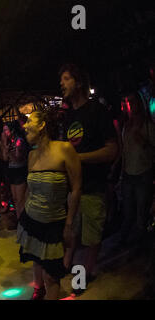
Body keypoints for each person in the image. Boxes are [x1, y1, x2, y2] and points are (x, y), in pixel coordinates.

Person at [60, 64, 118, 295]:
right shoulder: (70, 116)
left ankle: (86, 273)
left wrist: (78, 158)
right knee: (72, 230)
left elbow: (112, 150)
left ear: (79, 82)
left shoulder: (97, 111)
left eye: (66, 79)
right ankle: (66, 264)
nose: (61, 83)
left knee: (92, 235)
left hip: (94, 186)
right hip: (73, 188)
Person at [18, 107, 81, 300]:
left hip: (54, 223)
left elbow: (77, 188)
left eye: (29, 121)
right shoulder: (31, 155)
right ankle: (39, 290)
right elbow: (30, 189)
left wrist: (69, 225)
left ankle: (46, 289)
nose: (25, 125)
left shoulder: (64, 149)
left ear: (43, 125)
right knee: (37, 260)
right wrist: (22, 213)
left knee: (52, 276)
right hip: (32, 220)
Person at [118, 91, 155, 247]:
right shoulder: (126, 126)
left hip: (143, 174)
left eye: (132, 102)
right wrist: (120, 174)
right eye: (127, 102)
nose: (129, 105)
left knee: (141, 213)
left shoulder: (148, 126)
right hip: (128, 174)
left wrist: (144, 142)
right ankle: (125, 242)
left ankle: (139, 245)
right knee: (128, 212)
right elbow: (124, 153)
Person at [1, 120, 29, 220]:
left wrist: (8, 151)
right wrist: (4, 144)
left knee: (21, 199)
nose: (4, 133)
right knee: (16, 199)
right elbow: (5, 158)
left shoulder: (19, 141)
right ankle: (19, 220)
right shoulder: (8, 141)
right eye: (3, 130)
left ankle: (23, 221)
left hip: (19, 171)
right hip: (12, 171)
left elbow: (17, 159)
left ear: (12, 130)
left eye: (6, 130)